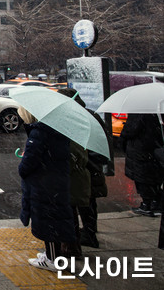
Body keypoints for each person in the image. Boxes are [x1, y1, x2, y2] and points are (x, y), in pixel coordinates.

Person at [17, 107, 75, 272]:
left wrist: (24, 161)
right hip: (55, 181)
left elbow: (28, 163)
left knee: (48, 222)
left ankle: (53, 260)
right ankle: (52, 255)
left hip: (45, 184)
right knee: (54, 219)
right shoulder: (56, 129)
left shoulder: (40, 132)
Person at [58, 88, 111, 249]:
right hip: (91, 166)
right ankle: (89, 231)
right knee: (88, 201)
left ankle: (87, 236)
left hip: (85, 167)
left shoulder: (76, 118)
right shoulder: (90, 115)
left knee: (80, 203)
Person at [121, 113, 164, 217]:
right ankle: (155, 202)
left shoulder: (138, 112)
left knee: (142, 178)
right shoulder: (154, 112)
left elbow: (130, 130)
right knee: (152, 177)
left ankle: (146, 205)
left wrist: (124, 133)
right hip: (153, 149)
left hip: (140, 150)